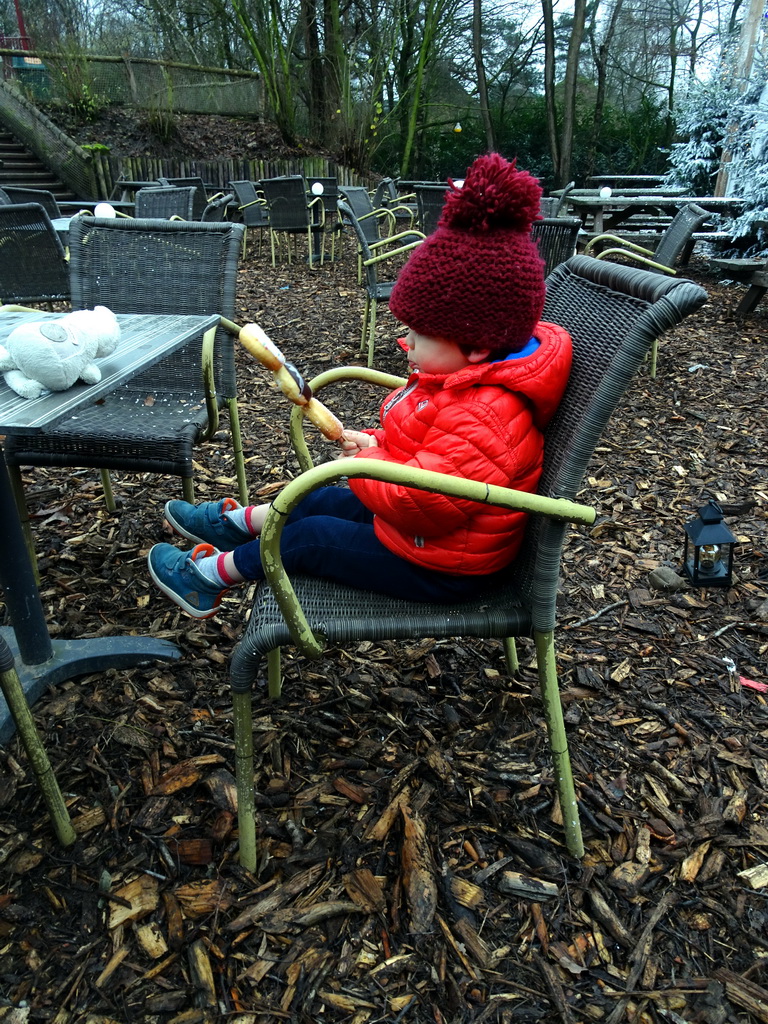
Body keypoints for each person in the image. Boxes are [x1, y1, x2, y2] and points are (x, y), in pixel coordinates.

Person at [147, 152, 573, 619]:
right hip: (426, 536)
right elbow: (427, 459)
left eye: (416, 333)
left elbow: (424, 500)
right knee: (324, 497)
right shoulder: (461, 380)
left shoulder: (485, 412)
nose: (403, 341)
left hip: (440, 565)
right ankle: (237, 525)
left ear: (474, 344)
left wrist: (365, 464)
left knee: (311, 538)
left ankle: (206, 579)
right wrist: (376, 445)